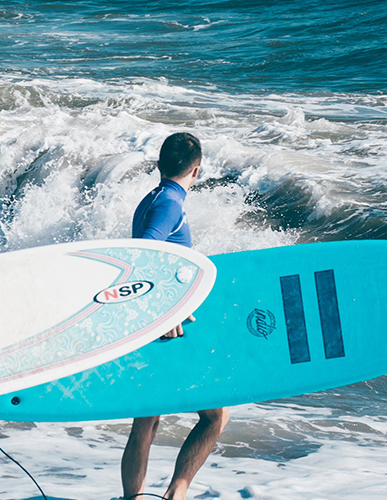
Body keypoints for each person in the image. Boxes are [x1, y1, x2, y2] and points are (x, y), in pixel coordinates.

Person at [121, 132, 230, 500]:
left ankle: (133, 498)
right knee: (215, 417)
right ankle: (176, 493)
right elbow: (146, 253)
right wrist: (166, 313)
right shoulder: (170, 203)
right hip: (167, 329)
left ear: (158, 165)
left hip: (151, 324)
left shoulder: (152, 198)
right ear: (197, 169)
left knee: (147, 419)